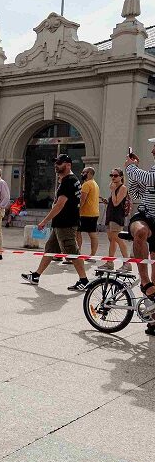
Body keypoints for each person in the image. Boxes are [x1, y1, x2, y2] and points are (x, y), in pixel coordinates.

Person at [21, 154, 88, 291]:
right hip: (62, 222)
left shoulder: (68, 181)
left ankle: (84, 280)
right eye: (56, 162)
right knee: (50, 250)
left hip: (66, 223)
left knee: (72, 252)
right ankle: (36, 276)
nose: (56, 165)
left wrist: (44, 221)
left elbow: (59, 205)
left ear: (68, 165)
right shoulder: (71, 180)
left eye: (60, 163)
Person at [125, 140, 155, 335]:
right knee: (141, 232)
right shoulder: (151, 169)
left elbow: (150, 179)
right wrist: (134, 175)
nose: (152, 150)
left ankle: (153, 321)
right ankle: (144, 282)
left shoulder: (151, 172)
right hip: (144, 217)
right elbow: (137, 192)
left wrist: (131, 167)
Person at [101, 168, 131, 272]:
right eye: (111, 175)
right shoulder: (116, 187)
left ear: (121, 177)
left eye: (115, 175)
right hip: (110, 216)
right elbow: (113, 202)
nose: (113, 177)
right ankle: (110, 262)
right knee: (112, 239)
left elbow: (116, 203)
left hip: (117, 217)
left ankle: (127, 263)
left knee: (117, 238)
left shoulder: (122, 188)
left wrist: (113, 190)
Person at [77, 166, 101, 256]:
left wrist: (77, 210)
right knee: (93, 234)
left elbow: (82, 200)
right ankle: (92, 255)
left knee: (77, 232)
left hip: (85, 213)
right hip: (94, 212)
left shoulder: (86, 185)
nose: (82, 174)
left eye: (84, 172)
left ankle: (77, 252)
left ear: (90, 173)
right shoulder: (95, 184)